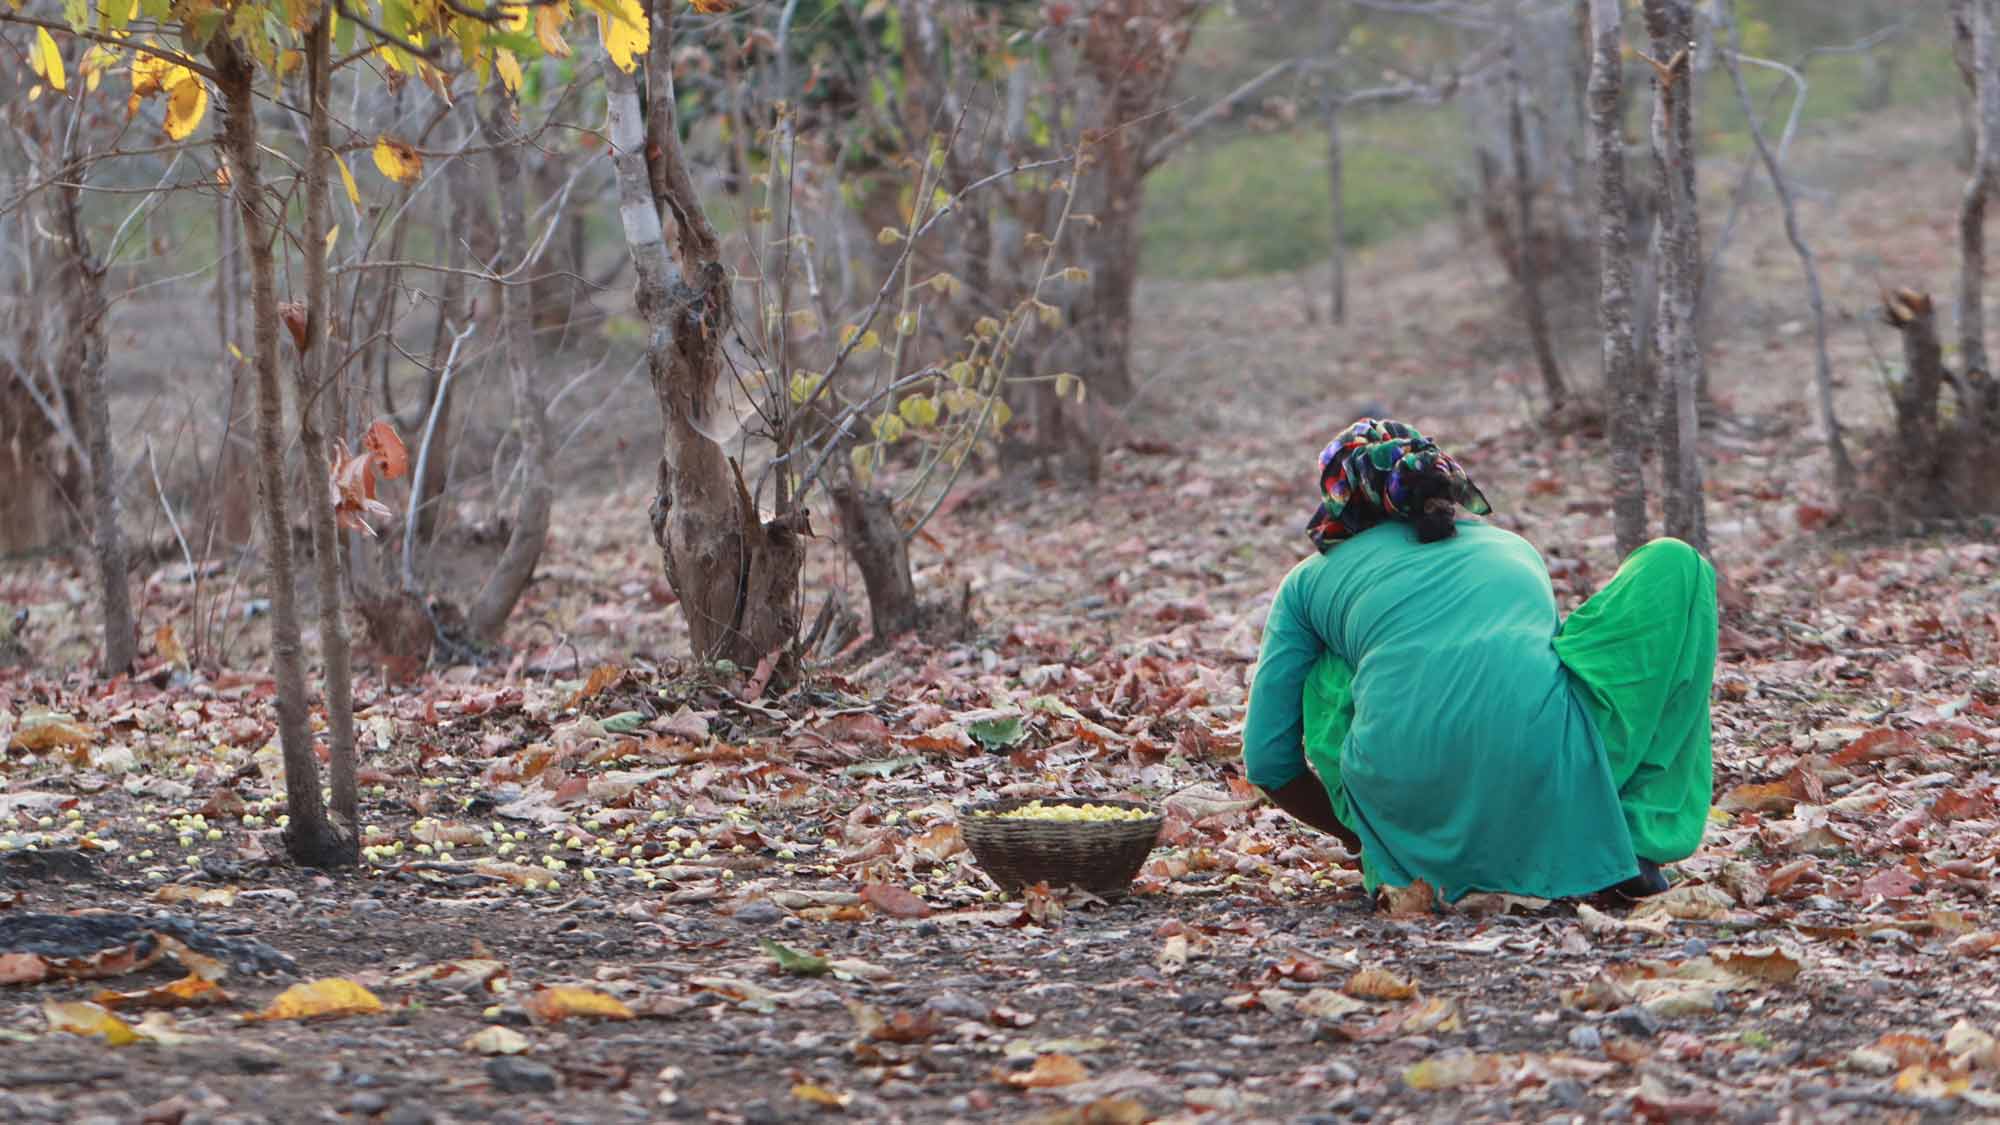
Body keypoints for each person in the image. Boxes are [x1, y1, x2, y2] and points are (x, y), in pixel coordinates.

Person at [1242, 419, 1716, 903]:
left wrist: (1358, 836)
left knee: (1332, 661)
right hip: (1550, 772)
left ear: (1342, 499)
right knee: (1672, 564)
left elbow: (1267, 760)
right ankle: (1631, 848)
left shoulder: (1307, 581)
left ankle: (1399, 852)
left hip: (1402, 806)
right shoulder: (1513, 548)